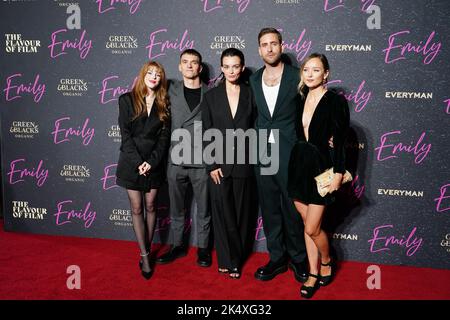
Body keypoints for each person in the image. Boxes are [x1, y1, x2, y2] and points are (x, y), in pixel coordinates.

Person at [287, 53, 350, 298]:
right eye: (306, 70)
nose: (310, 74)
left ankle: (326, 259)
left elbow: (341, 141)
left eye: (316, 70)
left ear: (326, 74)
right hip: (298, 165)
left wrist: (338, 172)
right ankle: (313, 273)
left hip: (321, 166)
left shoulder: (335, 101)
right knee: (306, 224)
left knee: (313, 227)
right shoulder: (299, 98)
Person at [249, 28, 308, 282]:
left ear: (282, 46)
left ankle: (298, 258)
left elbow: (310, 112)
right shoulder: (253, 79)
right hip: (263, 152)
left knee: (293, 209)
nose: (270, 48)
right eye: (264, 44)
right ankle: (277, 258)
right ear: (259, 49)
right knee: (270, 207)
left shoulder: (298, 76)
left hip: (290, 151)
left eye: (274, 43)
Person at [201, 48, 257, 279]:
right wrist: (211, 164)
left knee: (243, 215)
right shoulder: (211, 96)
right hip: (219, 166)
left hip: (244, 163)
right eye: (227, 66)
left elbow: (257, 128)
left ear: (242, 68)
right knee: (222, 213)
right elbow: (206, 132)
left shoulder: (251, 93)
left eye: (236, 66)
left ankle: (237, 259)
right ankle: (226, 259)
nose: (232, 70)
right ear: (221, 68)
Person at [156, 49, 212, 267]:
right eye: (185, 62)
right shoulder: (169, 91)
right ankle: (178, 246)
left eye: (194, 62)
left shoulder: (211, 93)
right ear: (179, 66)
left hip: (201, 161)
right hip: (175, 160)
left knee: (204, 209)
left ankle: (204, 249)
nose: (189, 66)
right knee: (177, 208)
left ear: (200, 67)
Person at [116, 61, 171, 280]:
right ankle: (145, 255)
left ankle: (146, 250)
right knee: (137, 208)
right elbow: (125, 136)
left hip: (154, 163)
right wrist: (139, 162)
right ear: (143, 75)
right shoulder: (126, 100)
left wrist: (152, 162)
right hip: (131, 163)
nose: (154, 77)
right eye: (150, 73)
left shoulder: (164, 103)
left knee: (150, 206)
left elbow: (164, 138)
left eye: (158, 74)